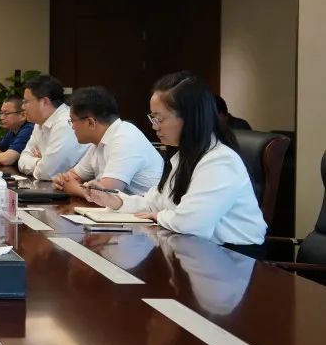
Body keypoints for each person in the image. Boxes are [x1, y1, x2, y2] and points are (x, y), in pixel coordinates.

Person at [85, 72, 266, 246]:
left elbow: (192, 223)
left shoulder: (220, 161)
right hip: (195, 250)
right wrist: (115, 201)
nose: (154, 127)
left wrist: (159, 216)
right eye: (152, 118)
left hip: (234, 257)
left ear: (189, 118)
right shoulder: (183, 156)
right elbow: (152, 202)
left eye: (159, 119)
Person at [53, 86, 164, 197]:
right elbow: (73, 176)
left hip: (148, 207)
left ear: (90, 123)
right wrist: (62, 181)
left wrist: (75, 189)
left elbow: (107, 194)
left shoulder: (124, 138)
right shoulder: (99, 142)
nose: (72, 127)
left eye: (72, 121)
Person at [16, 75, 87, 180]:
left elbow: (48, 173)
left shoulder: (66, 123)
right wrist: (39, 162)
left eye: (26, 101)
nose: (23, 107)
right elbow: (22, 160)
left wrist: (42, 163)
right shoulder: (39, 123)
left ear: (45, 102)